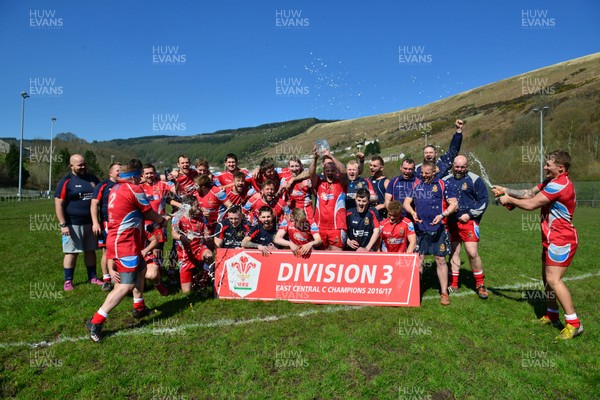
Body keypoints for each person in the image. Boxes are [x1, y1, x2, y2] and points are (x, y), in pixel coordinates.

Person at [495, 150, 582, 340]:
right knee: (547, 279)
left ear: (560, 167)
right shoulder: (550, 182)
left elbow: (531, 204)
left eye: (548, 164)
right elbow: (528, 193)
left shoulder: (559, 184)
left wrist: (509, 200)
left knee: (554, 280)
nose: (544, 167)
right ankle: (552, 315)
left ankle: (574, 324)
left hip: (562, 239)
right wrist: (506, 190)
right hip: (551, 239)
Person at [85, 159, 170, 342]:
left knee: (140, 271)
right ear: (134, 176)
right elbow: (148, 213)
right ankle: (96, 320)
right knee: (126, 285)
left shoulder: (116, 188)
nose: (141, 178)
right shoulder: (134, 189)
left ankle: (139, 307)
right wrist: (162, 221)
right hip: (125, 243)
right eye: (140, 175)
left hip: (124, 239)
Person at [404, 161, 458, 306]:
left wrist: (442, 215)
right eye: (421, 172)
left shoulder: (443, 185)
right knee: (419, 259)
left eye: (427, 173)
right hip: (420, 229)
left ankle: (444, 292)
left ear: (434, 172)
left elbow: (454, 203)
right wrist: (413, 212)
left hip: (439, 229)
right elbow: (406, 203)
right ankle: (416, 290)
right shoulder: (416, 184)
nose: (423, 175)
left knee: (440, 260)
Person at [443, 155, 489, 299]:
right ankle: (454, 283)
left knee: (472, 253)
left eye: (462, 167)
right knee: (454, 252)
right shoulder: (445, 180)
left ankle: (480, 284)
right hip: (451, 222)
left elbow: (484, 201)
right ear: (453, 166)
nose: (459, 169)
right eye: (457, 166)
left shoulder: (475, 180)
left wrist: (469, 214)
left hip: (468, 222)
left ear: (467, 166)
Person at [55, 154, 102, 291]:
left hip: (91, 223)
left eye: (84, 164)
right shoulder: (65, 181)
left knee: (90, 250)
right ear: (71, 166)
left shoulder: (92, 179)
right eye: (79, 165)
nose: (83, 167)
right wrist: (63, 225)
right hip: (72, 224)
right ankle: (68, 281)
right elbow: (58, 205)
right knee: (71, 252)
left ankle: (92, 277)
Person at [140, 163, 181, 266]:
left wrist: (175, 180)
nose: (149, 175)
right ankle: (143, 277)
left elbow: (177, 191)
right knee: (142, 250)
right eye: (147, 173)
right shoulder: (139, 187)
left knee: (157, 252)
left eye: (151, 173)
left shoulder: (161, 185)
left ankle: (159, 277)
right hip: (143, 224)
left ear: (155, 173)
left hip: (159, 223)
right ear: (143, 175)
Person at [172, 195, 214, 293]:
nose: (198, 208)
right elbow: (174, 233)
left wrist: (208, 236)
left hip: (199, 248)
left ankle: (203, 282)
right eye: (195, 206)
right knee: (186, 292)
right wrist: (182, 238)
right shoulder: (177, 217)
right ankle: (196, 278)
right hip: (185, 254)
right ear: (187, 207)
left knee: (209, 255)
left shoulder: (201, 216)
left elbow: (206, 231)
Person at [309, 145, 348, 251]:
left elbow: (344, 171)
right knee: (322, 258)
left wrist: (329, 155)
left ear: (335, 171)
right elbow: (311, 173)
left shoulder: (341, 183)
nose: (330, 173)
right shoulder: (319, 183)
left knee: (337, 258)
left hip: (337, 227)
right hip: (320, 226)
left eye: (332, 170)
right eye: (327, 170)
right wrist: (315, 158)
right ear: (324, 171)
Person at [91, 162, 121, 291]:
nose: (119, 173)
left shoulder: (124, 185)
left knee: (120, 250)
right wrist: (95, 222)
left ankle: (120, 276)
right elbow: (94, 204)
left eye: (121, 170)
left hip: (122, 222)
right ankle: (107, 279)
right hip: (107, 222)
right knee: (108, 251)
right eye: (117, 170)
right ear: (110, 173)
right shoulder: (103, 185)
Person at [279, 156, 313, 221]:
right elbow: (280, 199)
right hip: (292, 213)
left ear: (300, 166)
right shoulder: (285, 179)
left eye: (297, 166)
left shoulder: (306, 177)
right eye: (292, 166)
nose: (294, 169)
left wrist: (293, 180)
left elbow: (310, 171)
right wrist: (280, 189)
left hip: (307, 213)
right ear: (288, 167)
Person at [368, 155, 390, 220]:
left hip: (382, 216)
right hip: (369, 215)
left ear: (381, 168)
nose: (371, 167)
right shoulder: (367, 180)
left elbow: (392, 201)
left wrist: (381, 206)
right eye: (371, 165)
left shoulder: (386, 182)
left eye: (375, 166)